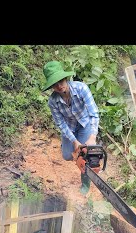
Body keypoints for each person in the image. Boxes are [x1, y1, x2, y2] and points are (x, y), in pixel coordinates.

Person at [42, 61, 100, 195]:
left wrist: (92, 137)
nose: (59, 86)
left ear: (65, 78)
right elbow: (61, 123)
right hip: (69, 126)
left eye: (60, 81)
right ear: (51, 86)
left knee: (84, 156)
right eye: (54, 84)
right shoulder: (53, 102)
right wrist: (74, 141)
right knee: (67, 155)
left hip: (85, 123)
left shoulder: (81, 89)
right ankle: (68, 144)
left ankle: (85, 183)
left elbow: (94, 114)